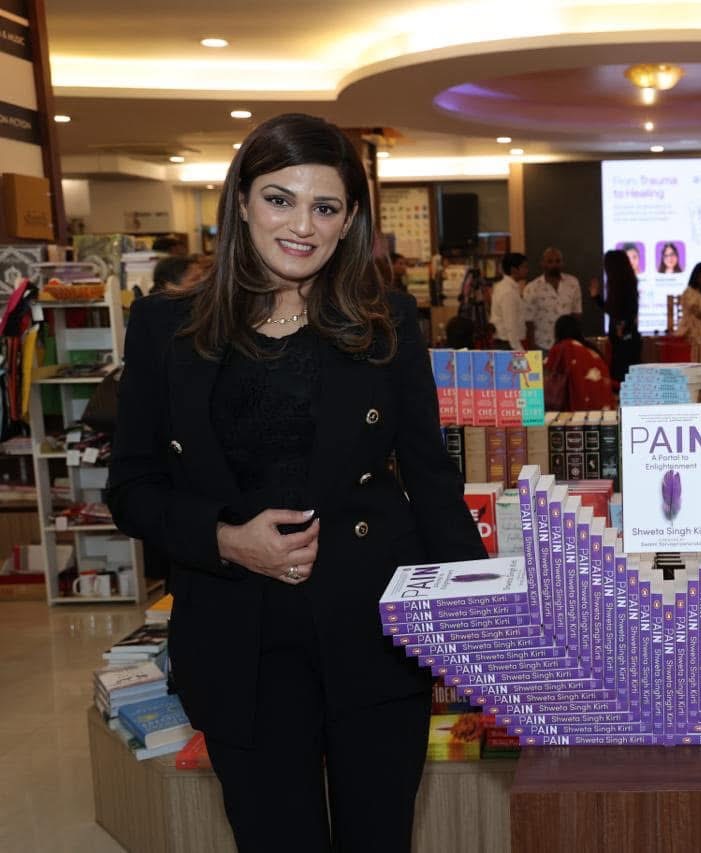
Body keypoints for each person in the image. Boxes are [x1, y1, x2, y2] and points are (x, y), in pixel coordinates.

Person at [104, 113, 486, 852]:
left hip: (373, 632)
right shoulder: (164, 327)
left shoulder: (387, 321)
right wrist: (225, 539)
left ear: (350, 222)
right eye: (280, 199)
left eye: (325, 207)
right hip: (238, 640)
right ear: (242, 202)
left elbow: (431, 479)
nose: (302, 226)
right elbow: (133, 487)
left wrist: (477, 621)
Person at [546, 315, 613, 410]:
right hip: (604, 403)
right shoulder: (591, 349)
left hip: (577, 406)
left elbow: (548, 372)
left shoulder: (561, 348)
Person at [523, 246, 583, 350]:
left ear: (562, 263)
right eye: (550, 261)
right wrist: (532, 347)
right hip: (542, 344)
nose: (554, 264)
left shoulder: (573, 283)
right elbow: (528, 321)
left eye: (558, 261)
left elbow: (576, 314)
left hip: (567, 345)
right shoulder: (532, 288)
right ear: (542, 263)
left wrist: (575, 340)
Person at [604, 248, 641, 383]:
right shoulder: (618, 287)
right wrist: (596, 298)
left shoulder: (626, 286)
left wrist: (623, 329)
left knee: (623, 377)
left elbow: (629, 313)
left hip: (625, 340)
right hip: (622, 339)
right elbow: (614, 311)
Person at [490, 251, 528, 350]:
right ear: (514, 270)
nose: (527, 270)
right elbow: (510, 325)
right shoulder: (508, 292)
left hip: (507, 343)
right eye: (524, 267)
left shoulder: (504, 287)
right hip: (508, 344)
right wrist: (520, 352)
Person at [675, 262, 701, 347]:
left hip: (700, 328)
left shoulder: (699, 293)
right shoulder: (689, 292)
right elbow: (696, 312)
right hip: (690, 330)